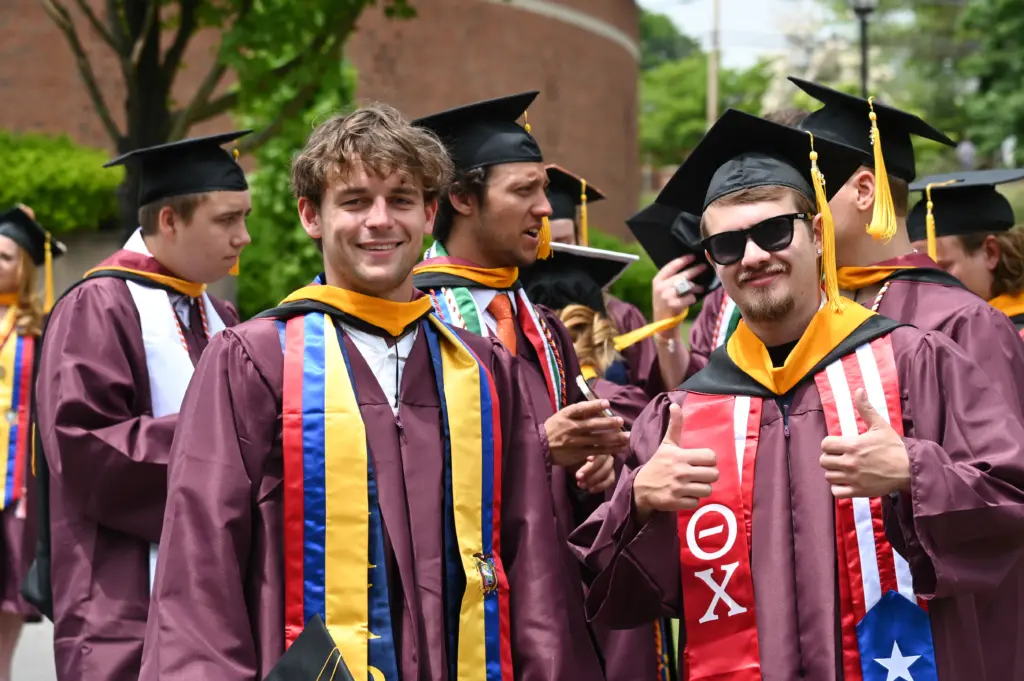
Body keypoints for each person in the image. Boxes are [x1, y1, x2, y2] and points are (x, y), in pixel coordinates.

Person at [141, 103, 607, 680]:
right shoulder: (252, 360)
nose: (380, 220)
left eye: (402, 200)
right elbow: (200, 565)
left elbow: (532, 566)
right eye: (355, 201)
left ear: (431, 213)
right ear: (312, 216)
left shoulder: (484, 368)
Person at [571, 108, 1024, 680]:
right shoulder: (687, 412)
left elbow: (1012, 503)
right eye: (729, 245)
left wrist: (915, 471)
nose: (755, 255)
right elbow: (618, 594)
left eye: (774, 231)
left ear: (816, 234)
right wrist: (638, 502)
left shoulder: (917, 362)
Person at [411, 92, 626, 680]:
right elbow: (397, 462)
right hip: (450, 603)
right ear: (460, 197)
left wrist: (593, 472)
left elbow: (568, 468)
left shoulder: (544, 325)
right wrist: (536, 450)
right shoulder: (411, 320)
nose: (545, 209)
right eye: (524, 190)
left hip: (549, 600)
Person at [33, 132, 249, 681]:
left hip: (210, 601)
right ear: (170, 221)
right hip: (122, 597)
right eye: (227, 220)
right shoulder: (98, 305)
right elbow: (85, 447)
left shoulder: (217, 313)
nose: (243, 237)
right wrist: (228, 446)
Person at [790, 77, 1024, 414]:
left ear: (864, 191)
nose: (796, 203)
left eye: (811, 184)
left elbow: (1005, 463)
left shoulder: (964, 322)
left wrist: (906, 466)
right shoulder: (805, 309)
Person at [522, 241, 678, 680]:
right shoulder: (636, 407)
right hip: (621, 603)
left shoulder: (525, 414)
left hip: (548, 597)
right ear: (606, 331)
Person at [0, 206, 65, 681]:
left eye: (4, 257)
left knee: (6, 597)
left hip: (14, 488)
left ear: (24, 265)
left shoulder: (40, 330)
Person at [546, 164, 664, 396]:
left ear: (581, 240)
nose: (552, 255)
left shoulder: (622, 317)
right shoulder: (511, 315)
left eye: (563, 241)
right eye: (542, 244)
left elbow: (654, 397)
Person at [907, 169, 1024, 332]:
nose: (926, 285)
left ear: (990, 252)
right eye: (919, 272)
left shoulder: (1011, 337)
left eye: (942, 269)